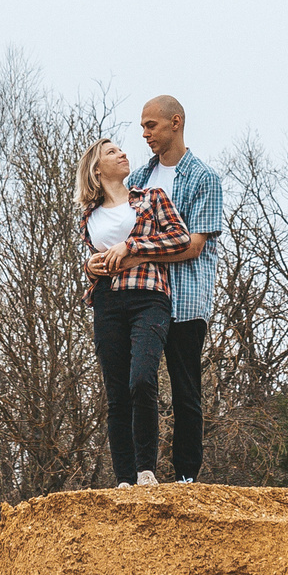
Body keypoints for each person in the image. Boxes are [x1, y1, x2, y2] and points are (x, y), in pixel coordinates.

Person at [75, 136, 192, 487]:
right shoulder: (88, 217)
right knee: (116, 393)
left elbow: (181, 239)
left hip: (149, 298)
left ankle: (146, 471)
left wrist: (132, 245)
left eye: (121, 149)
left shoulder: (151, 198)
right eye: (112, 152)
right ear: (97, 170)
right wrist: (90, 267)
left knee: (142, 379)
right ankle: (124, 477)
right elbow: (96, 258)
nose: (122, 153)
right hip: (108, 303)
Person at [122, 94, 224, 483]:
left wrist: (138, 256)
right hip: (143, 299)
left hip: (185, 299)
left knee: (185, 390)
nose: (145, 133)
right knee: (138, 384)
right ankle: (138, 472)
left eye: (152, 125)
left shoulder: (204, 178)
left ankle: (185, 476)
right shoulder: (138, 181)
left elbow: (195, 245)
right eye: (143, 126)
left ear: (175, 123)